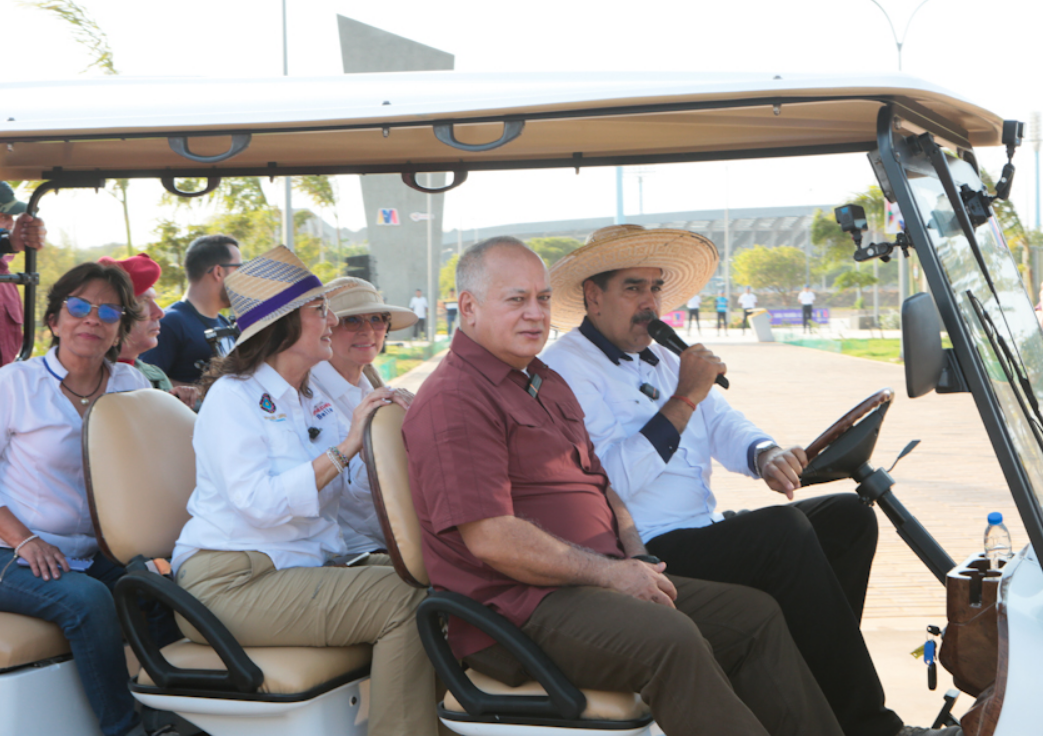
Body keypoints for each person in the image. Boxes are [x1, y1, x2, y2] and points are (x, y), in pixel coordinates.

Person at [402, 236, 845, 736]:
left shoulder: (541, 380)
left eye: (543, 299)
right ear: (469, 307)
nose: (535, 314)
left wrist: (635, 556)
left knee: (753, 615)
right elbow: (493, 539)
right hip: (517, 609)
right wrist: (611, 576)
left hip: (588, 581)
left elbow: (602, 485)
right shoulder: (457, 398)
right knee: (671, 637)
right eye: (516, 299)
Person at [540, 224, 945, 736]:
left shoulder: (667, 356)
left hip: (701, 526)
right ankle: (867, 725)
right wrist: (684, 398)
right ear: (593, 297)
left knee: (846, 518)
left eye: (655, 287)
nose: (649, 302)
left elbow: (725, 422)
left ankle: (814, 682)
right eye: (632, 288)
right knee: (784, 534)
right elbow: (610, 480)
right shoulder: (567, 371)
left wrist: (764, 454)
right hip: (644, 548)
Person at [172, 246, 437, 736]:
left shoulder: (310, 396)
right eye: (321, 311)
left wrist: (390, 437)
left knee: (442, 576)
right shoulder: (234, 396)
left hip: (298, 564)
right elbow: (258, 503)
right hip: (230, 580)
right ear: (283, 324)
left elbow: (355, 496)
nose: (332, 321)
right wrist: (346, 447)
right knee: (410, 603)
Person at [0, 261, 180, 736]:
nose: (91, 319)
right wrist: (24, 541)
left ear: (121, 328)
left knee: (167, 590)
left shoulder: (131, 386)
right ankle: (124, 729)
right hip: (12, 551)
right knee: (89, 601)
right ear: (55, 320)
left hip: (97, 551)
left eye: (108, 311)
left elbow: (148, 477)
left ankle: (181, 716)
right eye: (78, 306)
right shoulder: (13, 385)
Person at [310, 276, 417, 552]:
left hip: (389, 535)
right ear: (326, 329)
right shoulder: (307, 394)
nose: (368, 330)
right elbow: (353, 498)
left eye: (378, 319)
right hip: (347, 547)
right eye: (352, 321)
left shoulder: (374, 388)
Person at [100, 252, 199, 407]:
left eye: (154, 300)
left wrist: (179, 408)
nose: (160, 313)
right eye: (143, 302)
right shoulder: (83, 380)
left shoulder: (155, 375)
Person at [140, 234, 241, 386]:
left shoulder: (224, 322)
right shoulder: (170, 322)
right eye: (239, 268)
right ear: (218, 272)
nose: (243, 278)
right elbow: (146, 382)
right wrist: (199, 392)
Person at [0, 182, 47, 366]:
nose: (11, 223)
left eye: (12, 217)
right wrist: (9, 241)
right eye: (3, 216)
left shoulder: (7, 276)